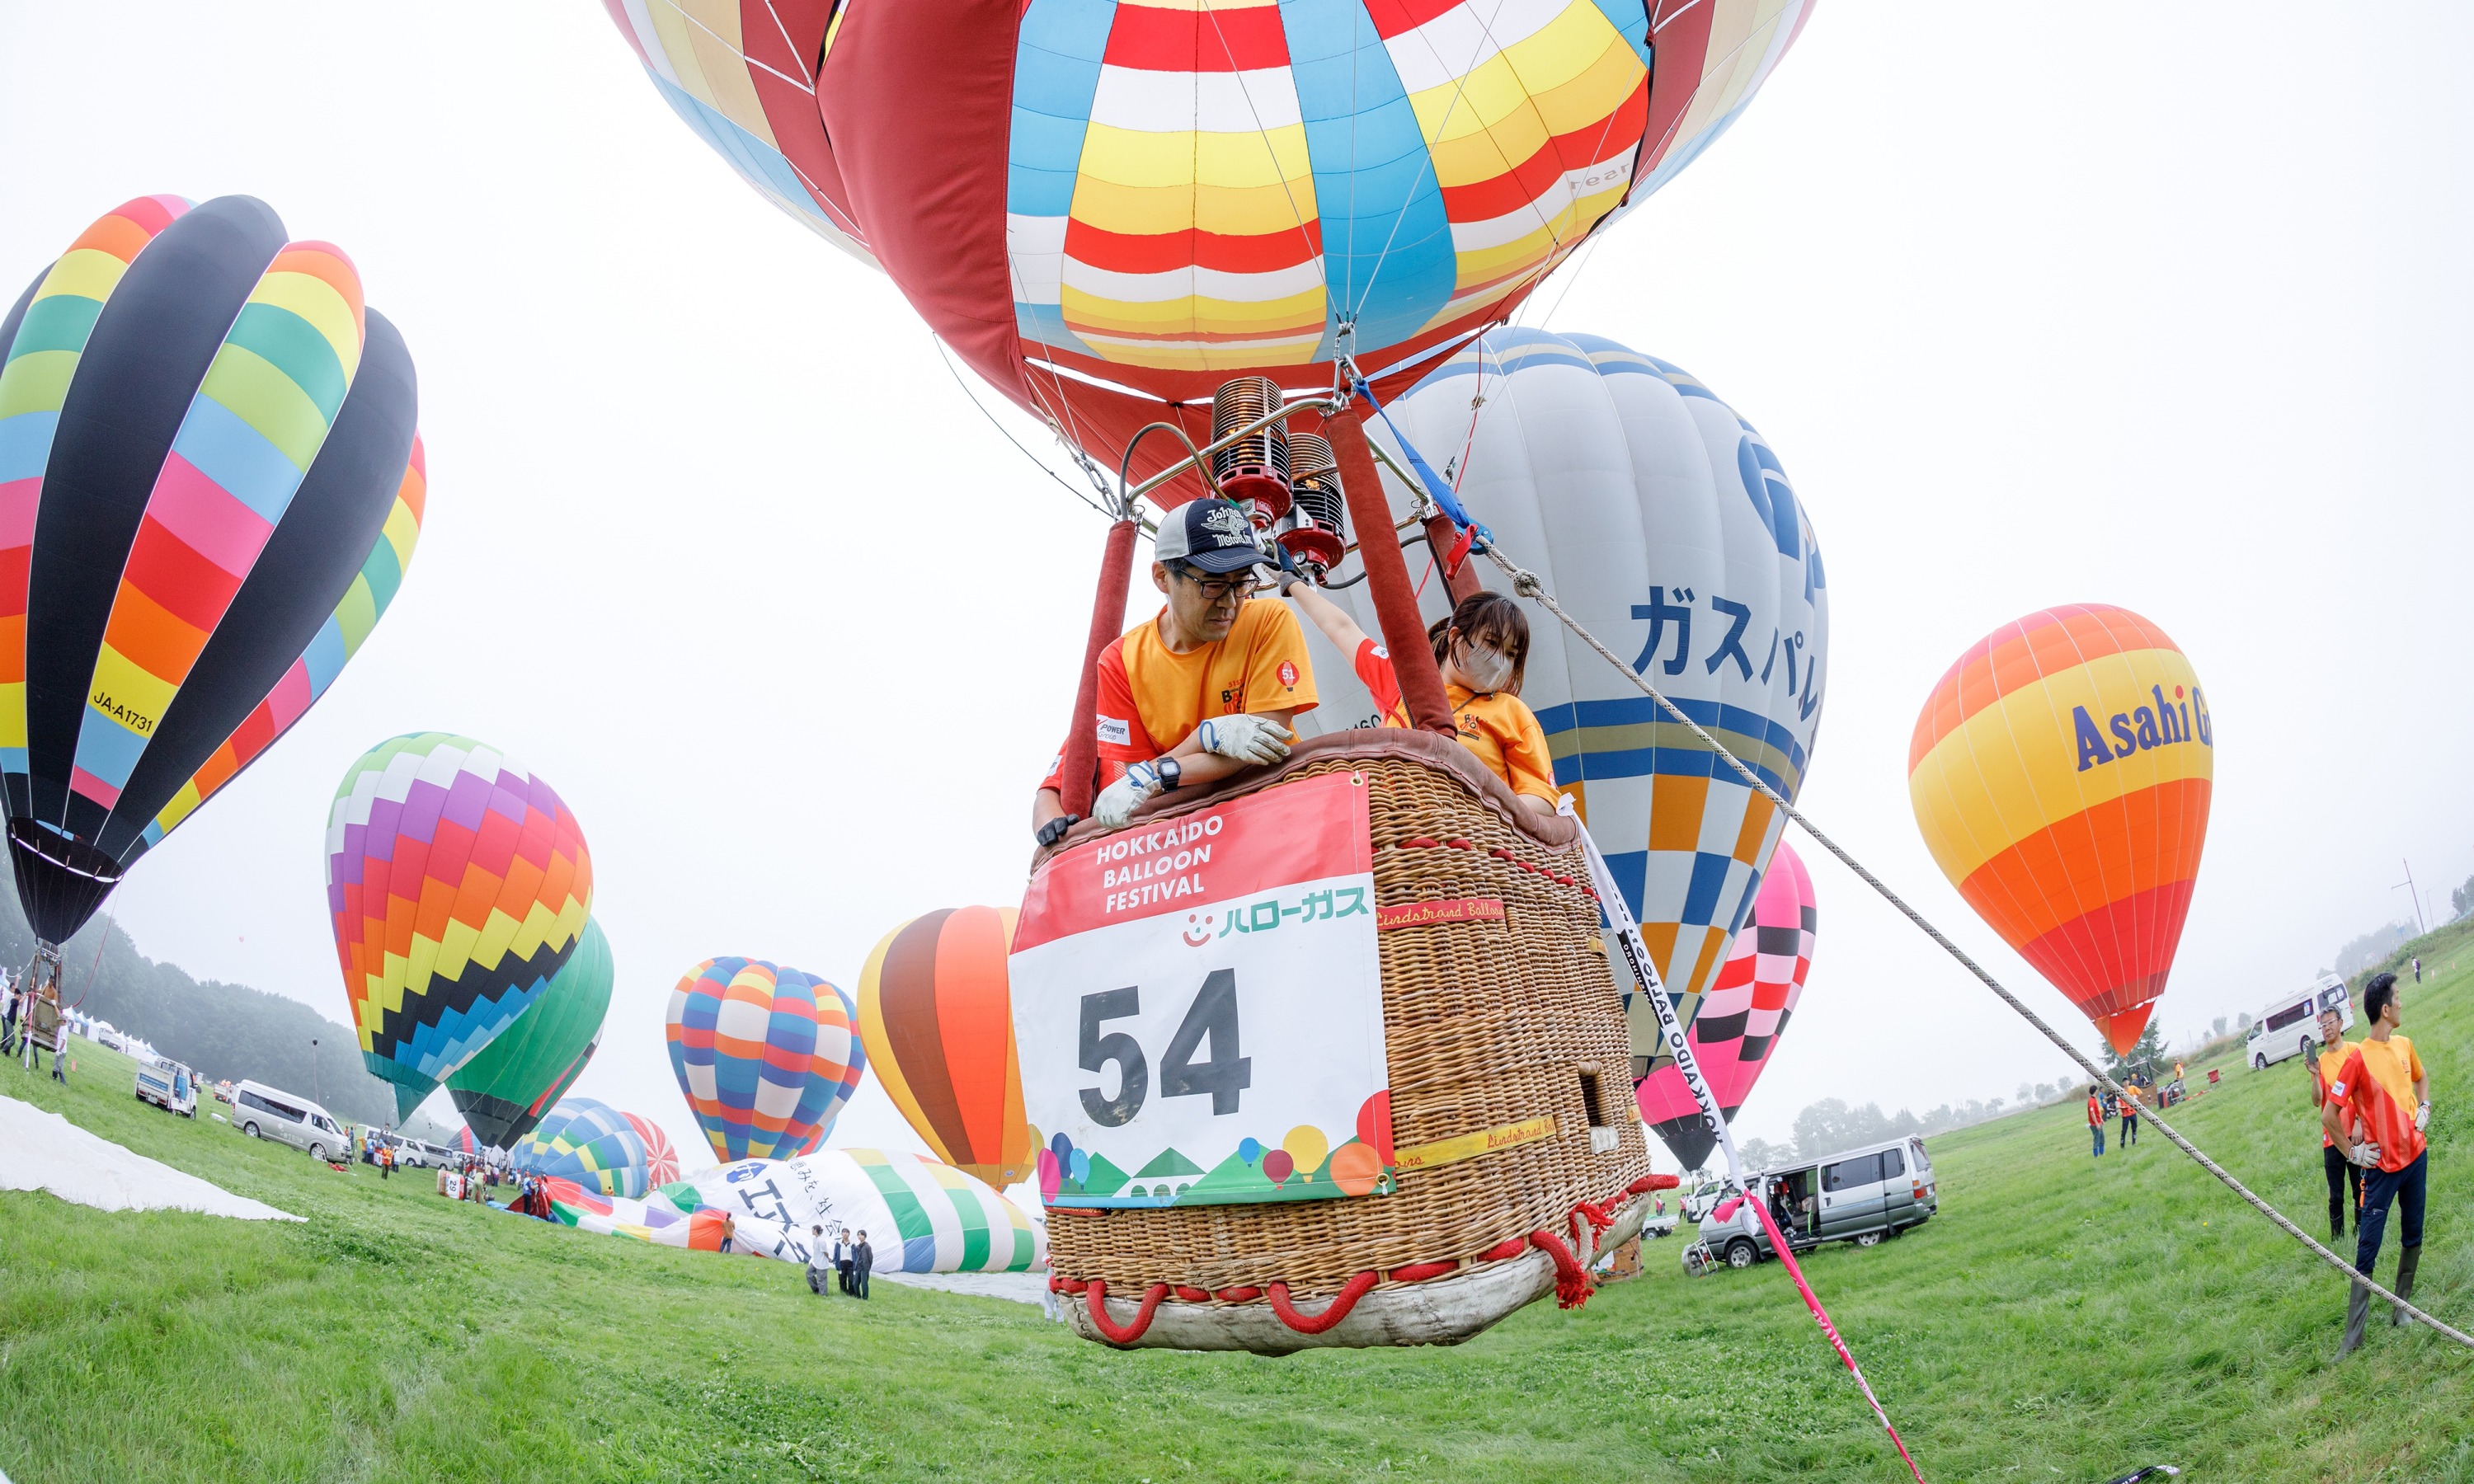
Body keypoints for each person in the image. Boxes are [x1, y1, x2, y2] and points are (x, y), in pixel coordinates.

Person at [1031, 500, 1317, 843]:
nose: (1229, 602)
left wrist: (1162, 769)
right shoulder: (1121, 661)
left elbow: (1264, 744)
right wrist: (1203, 742)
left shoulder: (1269, 620)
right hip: (1190, 842)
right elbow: (1134, 789)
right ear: (1162, 578)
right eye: (1213, 585)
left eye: (1241, 583)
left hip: (1278, 815)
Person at [1283, 581, 1558, 815]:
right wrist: (1292, 583)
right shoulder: (1403, 681)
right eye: (1491, 642)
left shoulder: (1511, 711)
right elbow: (1342, 629)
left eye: (1511, 654)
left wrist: (1478, 809)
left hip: (1474, 850)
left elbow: (1542, 798)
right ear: (1455, 637)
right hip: (1393, 841)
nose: (1499, 660)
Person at [2324, 972, 2433, 1357]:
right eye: (2398, 998)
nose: (2402, 1003)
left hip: (2416, 1158)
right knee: (2366, 1248)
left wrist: (2425, 1108)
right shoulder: (2356, 1060)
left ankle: (2401, 1310)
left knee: (2413, 1234)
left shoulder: (2405, 1044)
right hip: (2380, 1171)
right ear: (2385, 1010)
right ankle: (2353, 1339)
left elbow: (2421, 1081)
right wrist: (2353, 1154)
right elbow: (2329, 1115)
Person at [2311, 1005, 2362, 1242]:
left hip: (2355, 1134)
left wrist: (2361, 1122)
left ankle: (2362, 1231)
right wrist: (2313, 1075)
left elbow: (2366, 1092)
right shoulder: (2320, 1062)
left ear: (2341, 1024)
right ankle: (2337, 1241)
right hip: (2331, 1137)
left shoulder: (2355, 1051)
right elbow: (2317, 1101)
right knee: (2336, 1195)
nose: (2327, 1028)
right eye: (2323, 1025)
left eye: (2330, 1022)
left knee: (2360, 1188)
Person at [851, 1229, 873, 1299]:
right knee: (855, 1283)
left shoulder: (867, 1246)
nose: (860, 1236)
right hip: (858, 1267)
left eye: (861, 1235)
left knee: (864, 1284)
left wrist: (867, 1267)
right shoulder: (857, 1247)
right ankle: (858, 1296)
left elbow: (870, 1258)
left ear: (865, 1236)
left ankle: (865, 1297)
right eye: (859, 1235)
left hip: (864, 1268)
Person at [2118, 1081, 2140, 1147]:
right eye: (2124, 1082)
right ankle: (2122, 1145)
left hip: (2133, 1113)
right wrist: (2121, 1107)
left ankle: (2134, 1142)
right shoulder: (2121, 1094)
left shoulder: (2132, 1088)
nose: (2126, 1083)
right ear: (2123, 1084)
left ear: (2129, 1082)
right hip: (2125, 1115)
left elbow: (2140, 1093)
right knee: (2124, 1131)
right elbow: (2118, 1104)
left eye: (2126, 1081)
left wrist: (2136, 1099)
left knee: (2134, 1128)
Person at [2086, 1086, 2106, 1158]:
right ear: (2095, 1091)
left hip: (2098, 1122)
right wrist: (2097, 1124)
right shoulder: (2091, 1101)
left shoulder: (2094, 1099)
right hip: (2095, 1124)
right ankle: (2096, 1156)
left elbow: (2097, 1112)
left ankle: (2102, 1154)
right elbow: (2092, 1113)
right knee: (2097, 1139)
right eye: (2097, 1090)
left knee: (2102, 1138)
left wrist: (2101, 1119)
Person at [834, 1228, 854, 1295]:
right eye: (844, 1232)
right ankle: (843, 1292)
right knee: (842, 1279)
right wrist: (836, 1264)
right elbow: (836, 1254)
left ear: (849, 1234)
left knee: (851, 1279)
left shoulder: (852, 1244)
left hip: (850, 1263)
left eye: (847, 1232)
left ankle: (851, 1293)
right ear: (842, 1234)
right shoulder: (838, 1244)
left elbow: (855, 1255)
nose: (845, 1234)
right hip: (842, 1263)